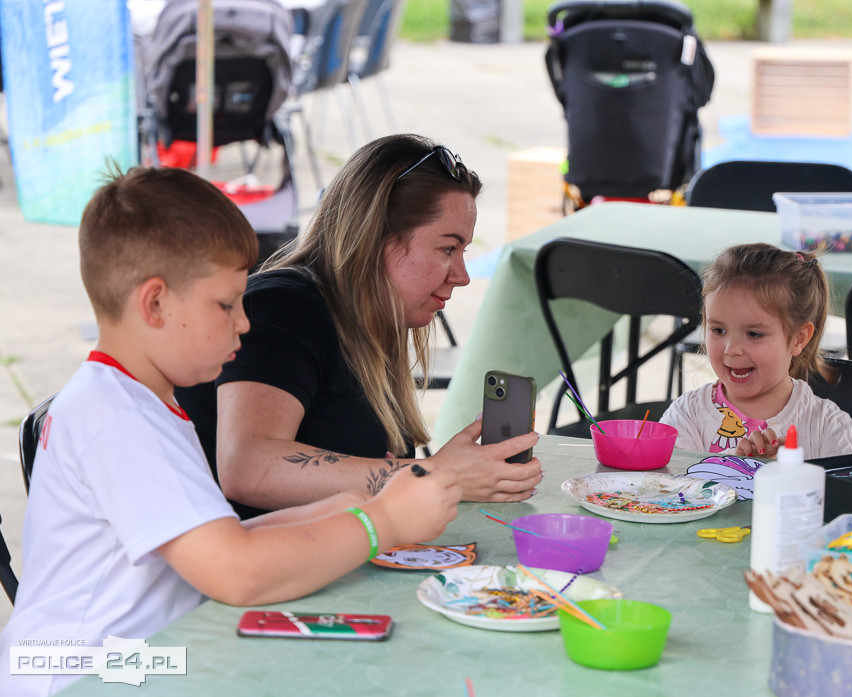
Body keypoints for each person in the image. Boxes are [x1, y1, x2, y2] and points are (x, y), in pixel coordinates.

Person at [0, 167, 461, 697]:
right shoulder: (119, 421)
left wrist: (351, 505)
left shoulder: (136, 403)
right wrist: (383, 521)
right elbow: (236, 572)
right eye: (226, 304)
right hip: (80, 677)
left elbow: (223, 540)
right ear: (154, 304)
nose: (244, 322)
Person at [174, 134, 542, 518]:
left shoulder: (373, 319)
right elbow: (247, 467)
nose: (462, 275)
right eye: (447, 248)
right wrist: (433, 473)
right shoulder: (281, 308)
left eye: (463, 251)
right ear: (376, 239)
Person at [659, 243, 852, 460]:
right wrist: (737, 464)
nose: (732, 349)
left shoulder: (825, 425)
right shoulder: (686, 416)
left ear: (798, 339)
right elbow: (663, 493)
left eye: (754, 334)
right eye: (718, 330)